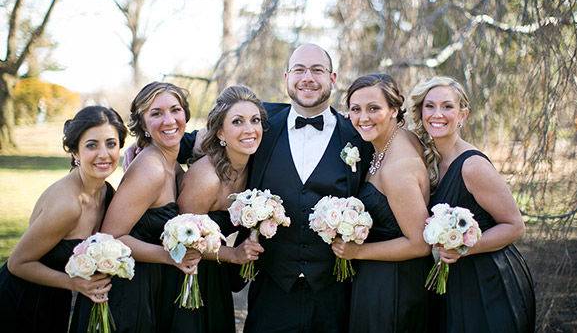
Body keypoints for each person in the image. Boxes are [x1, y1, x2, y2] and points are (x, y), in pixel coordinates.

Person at [178, 44, 372, 332]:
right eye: (299, 70)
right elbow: (201, 135)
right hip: (271, 289)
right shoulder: (260, 123)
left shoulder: (358, 134)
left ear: (332, 78)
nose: (308, 77)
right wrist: (149, 148)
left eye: (317, 70)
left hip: (335, 292)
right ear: (286, 78)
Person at [70, 82, 200, 333]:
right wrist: (172, 257)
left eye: (175, 109)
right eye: (156, 113)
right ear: (142, 124)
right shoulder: (151, 168)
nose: (169, 120)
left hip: (150, 285)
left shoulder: (170, 162)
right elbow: (112, 237)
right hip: (127, 294)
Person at [408, 76, 536, 332]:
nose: (437, 114)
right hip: (455, 283)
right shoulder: (429, 159)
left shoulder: (472, 166)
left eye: (447, 106)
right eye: (430, 106)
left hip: (490, 282)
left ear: (463, 115)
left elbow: (514, 226)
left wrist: (464, 247)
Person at [0, 106, 126, 332]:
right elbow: (17, 263)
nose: (104, 154)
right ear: (75, 153)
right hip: (21, 302)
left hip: (55, 300)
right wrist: (75, 283)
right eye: (91, 145)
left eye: (111, 143)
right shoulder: (68, 205)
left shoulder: (106, 192)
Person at [331, 73, 433, 332]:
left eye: (374, 108)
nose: (363, 118)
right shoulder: (398, 138)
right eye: (356, 109)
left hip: (394, 286)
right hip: (381, 277)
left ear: (394, 110)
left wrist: (356, 252)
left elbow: (420, 243)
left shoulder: (397, 169)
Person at [176, 85, 266, 332]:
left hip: (216, 275)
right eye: (237, 122)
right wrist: (234, 255)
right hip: (188, 277)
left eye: (255, 120)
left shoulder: (253, 164)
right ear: (220, 133)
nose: (249, 129)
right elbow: (181, 242)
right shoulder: (207, 177)